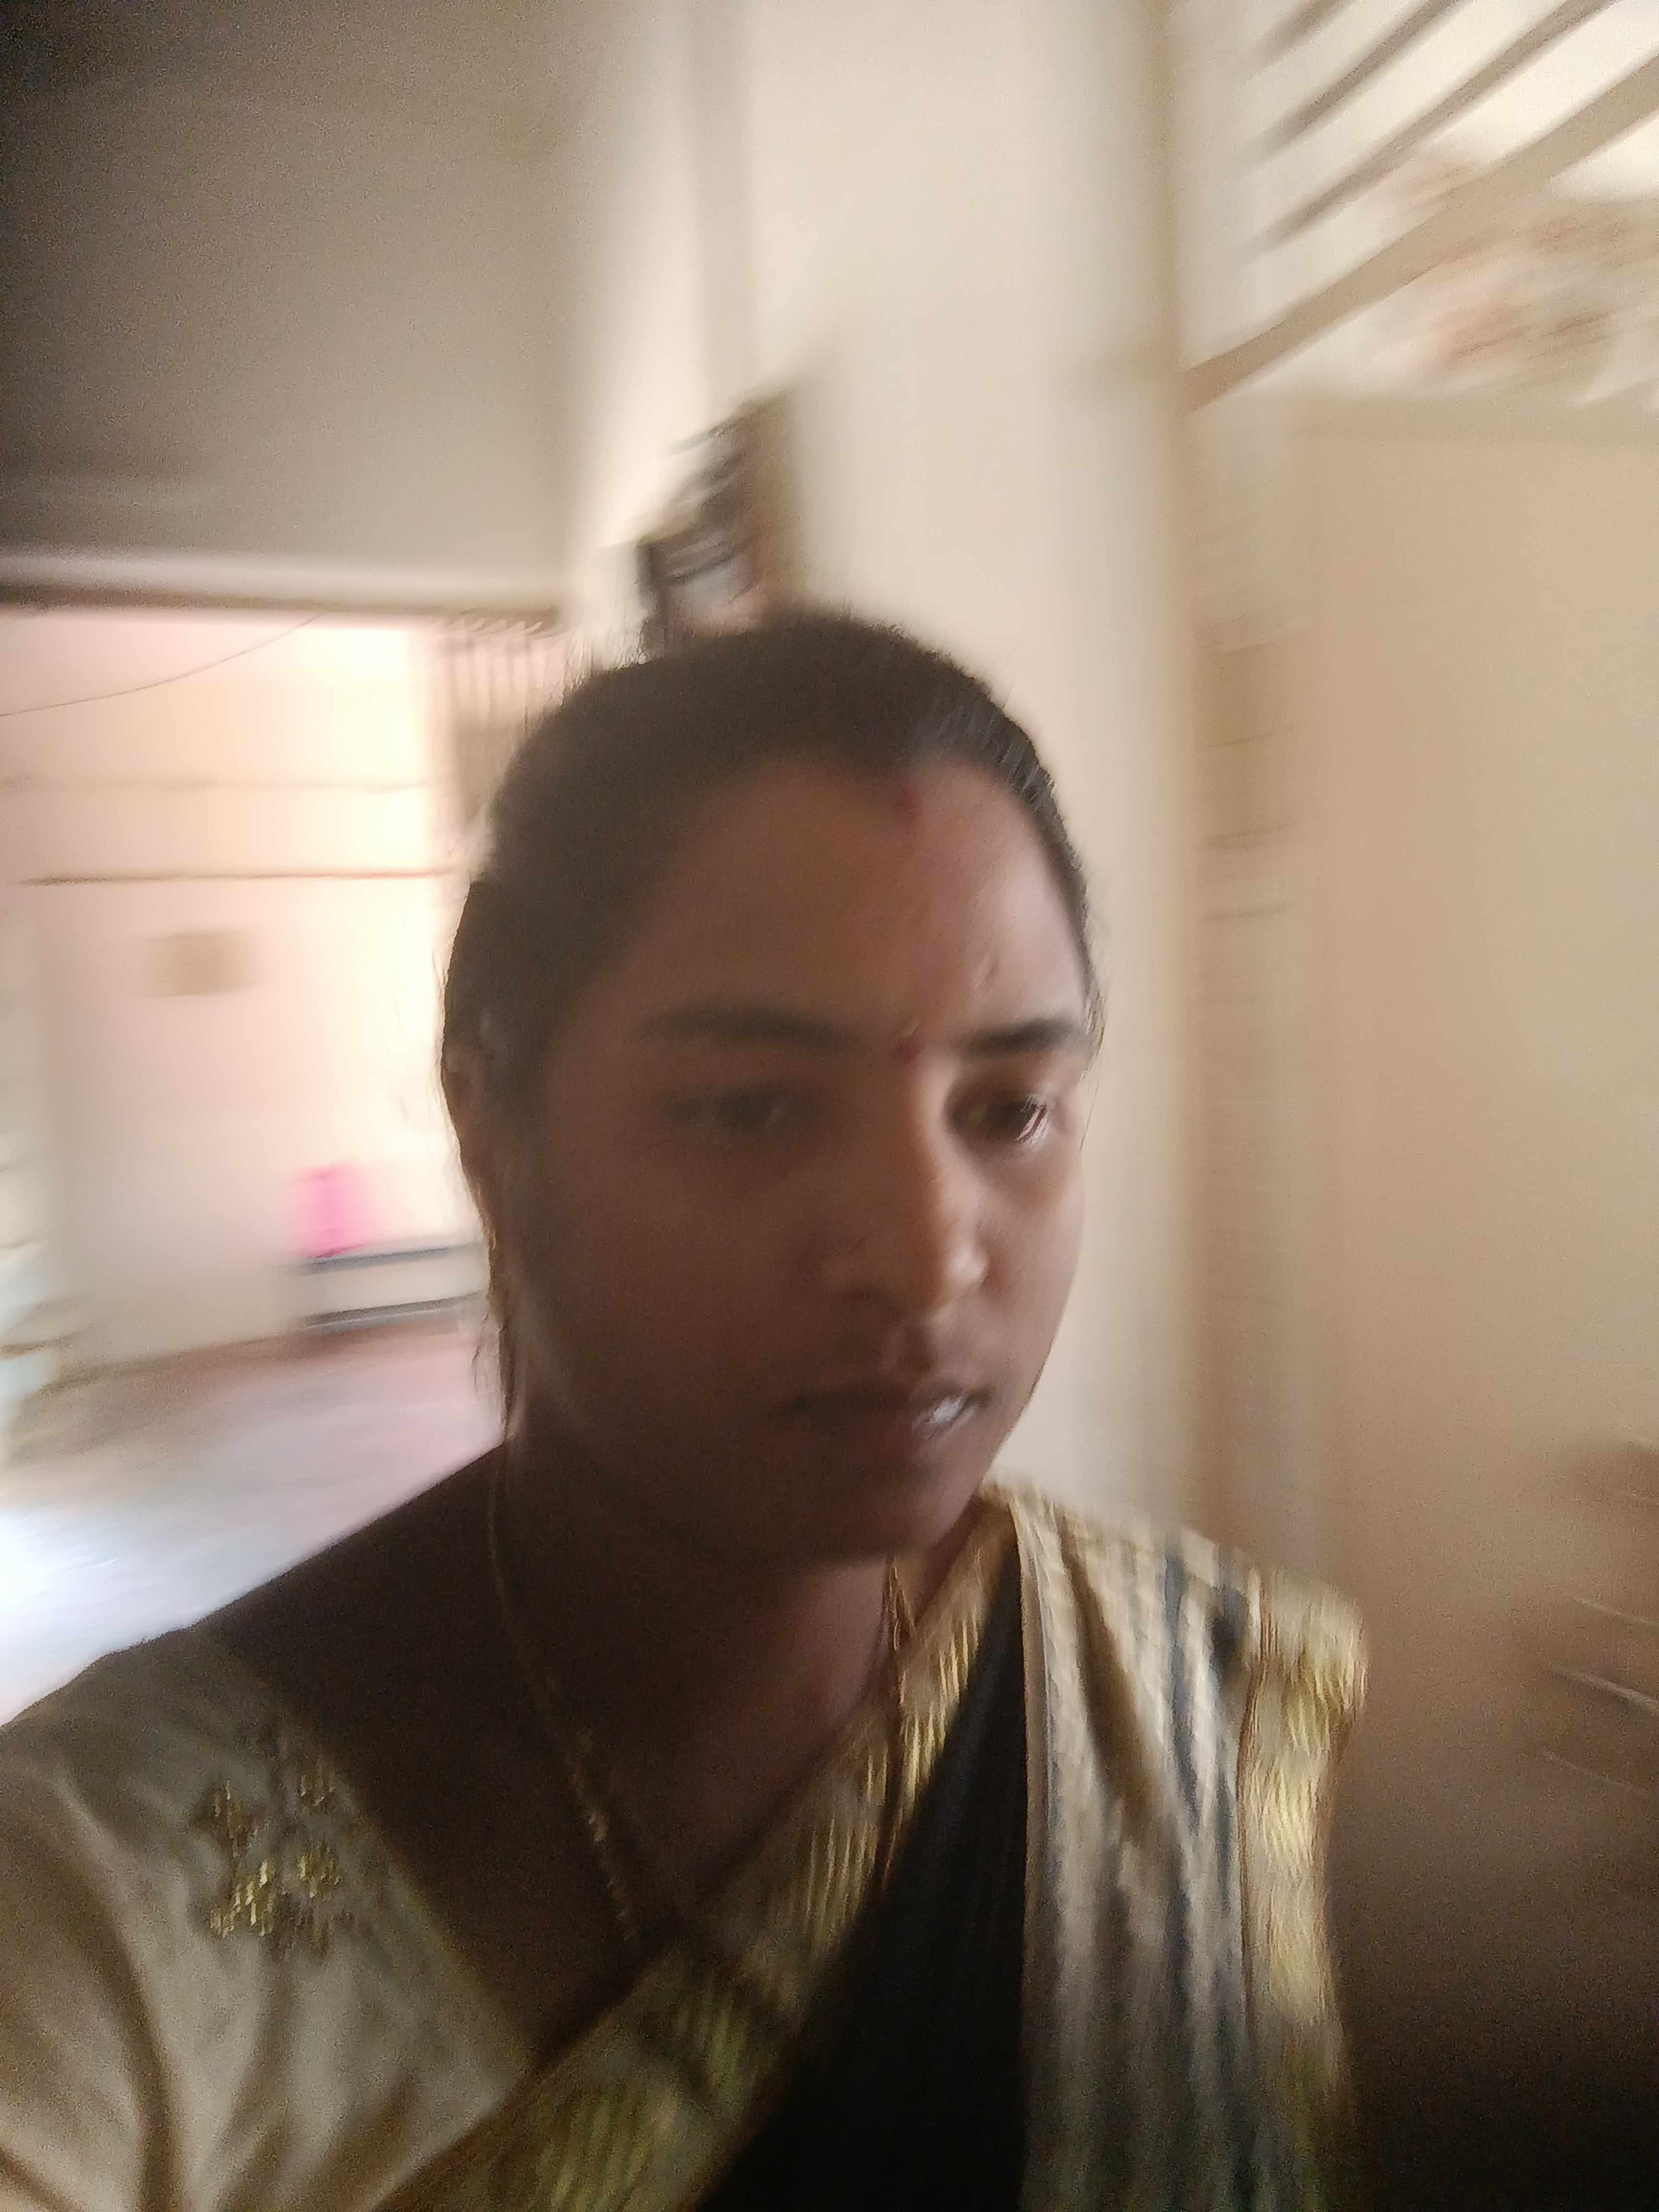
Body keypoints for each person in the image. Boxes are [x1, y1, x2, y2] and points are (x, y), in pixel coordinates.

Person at [0, 613, 1364, 2211]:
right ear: (491, 1129)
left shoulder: (1175, 1703)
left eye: (1009, 1109)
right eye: (751, 1109)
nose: (928, 1253)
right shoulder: (100, 1906)